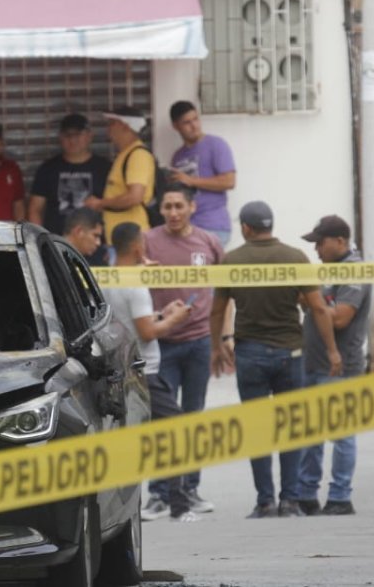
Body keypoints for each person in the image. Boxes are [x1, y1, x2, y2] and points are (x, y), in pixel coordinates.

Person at [210, 200, 341, 519]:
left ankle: (265, 501)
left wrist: (217, 345)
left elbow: (217, 310)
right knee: (291, 428)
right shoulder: (295, 257)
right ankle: (290, 500)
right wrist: (332, 350)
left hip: (250, 354)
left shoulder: (231, 261)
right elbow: (319, 308)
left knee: (257, 429)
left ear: (245, 227)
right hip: (290, 354)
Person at [103, 222, 197, 522]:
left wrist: (162, 313)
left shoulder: (106, 276)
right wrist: (176, 319)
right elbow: (146, 331)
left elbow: (130, 321)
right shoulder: (135, 284)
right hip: (146, 372)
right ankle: (179, 506)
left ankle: (132, 507)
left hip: (120, 368)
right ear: (137, 248)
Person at [142, 184, 224, 517]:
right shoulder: (148, 240)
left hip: (200, 342)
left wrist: (223, 339)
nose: (173, 213)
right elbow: (126, 278)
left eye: (179, 206)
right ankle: (159, 493)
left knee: (193, 419)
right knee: (163, 422)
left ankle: (189, 489)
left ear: (192, 207)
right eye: (167, 207)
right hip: (162, 343)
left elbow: (225, 292)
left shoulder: (209, 242)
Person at [295, 215, 371, 516]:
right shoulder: (328, 270)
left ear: (340, 241)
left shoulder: (354, 271)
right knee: (310, 432)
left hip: (341, 365)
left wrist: (315, 304)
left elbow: (340, 318)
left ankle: (340, 496)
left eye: (320, 243)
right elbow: (310, 304)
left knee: (340, 433)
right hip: (313, 361)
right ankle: (306, 493)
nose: (316, 251)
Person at [28, 113, 112, 235]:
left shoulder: (105, 168)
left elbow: (115, 205)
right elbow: (35, 209)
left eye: (78, 134)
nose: (72, 140)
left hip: (96, 244)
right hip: (57, 244)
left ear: (89, 136)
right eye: (67, 135)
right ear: (60, 137)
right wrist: (41, 240)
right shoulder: (47, 169)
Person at [167, 101, 236, 247]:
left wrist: (191, 181)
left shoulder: (216, 144)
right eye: (187, 122)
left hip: (212, 226)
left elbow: (229, 181)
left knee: (202, 268)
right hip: (186, 227)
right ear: (176, 126)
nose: (194, 126)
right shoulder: (177, 156)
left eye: (196, 119)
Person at [83, 106, 155, 240]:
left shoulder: (138, 155)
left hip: (131, 239)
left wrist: (100, 203)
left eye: (112, 123)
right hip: (119, 239)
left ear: (126, 127)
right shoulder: (125, 155)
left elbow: (134, 196)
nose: (108, 128)